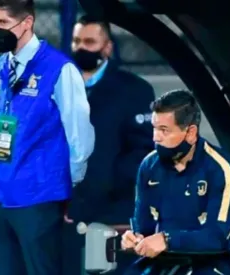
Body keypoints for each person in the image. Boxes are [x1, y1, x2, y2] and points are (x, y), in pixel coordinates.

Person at [0, 0, 95, 274]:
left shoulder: (60, 69)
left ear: (27, 23)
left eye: (3, 23)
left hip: (39, 196)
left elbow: (79, 134)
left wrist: (70, 186)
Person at [62, 15, 156, 275]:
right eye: (77, 41)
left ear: (107, 48)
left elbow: (142, 152)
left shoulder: (134, 90)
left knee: (103, 271)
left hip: (111, 215)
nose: (82, 47)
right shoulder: (60, 86)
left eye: (90, 41)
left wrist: (99, 185)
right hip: (66, 214)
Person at [121, 90, 230, 274]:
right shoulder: (148, 166)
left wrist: (167, 240)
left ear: (190, 132)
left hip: (212, 262)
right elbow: (143, 227)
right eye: (154, 128)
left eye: (164, 130)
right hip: (165, 262)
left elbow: (216, 237)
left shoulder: (221, 169)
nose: (155, 137)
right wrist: (134, 239)